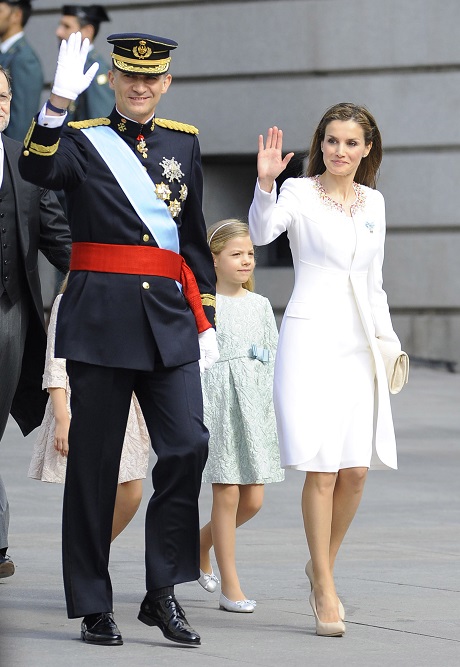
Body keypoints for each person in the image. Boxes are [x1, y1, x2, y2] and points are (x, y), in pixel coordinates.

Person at [19, 31, 218, 647]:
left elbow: (191, 235)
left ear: (166, 82)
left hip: (168, 322)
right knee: (95, 469)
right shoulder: (80, 141)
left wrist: (206, 313)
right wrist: (55, 105)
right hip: (101, 322)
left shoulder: (183, 143)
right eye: (129, 75)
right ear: (112, 78)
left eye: (151, 77)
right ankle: (93, 603)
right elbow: (36, 166)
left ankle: (161, 593)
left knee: (187, 446)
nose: (140, 86)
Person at [248, 103, 402, 637]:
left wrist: (387, 340)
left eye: (351, 143)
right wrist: (266, 184)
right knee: (323, 467)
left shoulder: (374, 202)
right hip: (311, 336)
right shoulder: (297, 192)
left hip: (360, 341)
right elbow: (263, 233)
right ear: (322, 145)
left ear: (367, 149)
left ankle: (321, 566)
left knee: (357, 470)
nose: (340, 151)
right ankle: (325, 590)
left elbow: (375, 280)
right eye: (332, 141)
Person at [0, 64, 70, 579]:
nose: (2, 104)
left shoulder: (27, 167)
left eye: (4, 96)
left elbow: (59, 240)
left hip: (11, 317)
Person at [198, 219, 284, 613]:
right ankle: (230, 585)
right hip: (217, 402)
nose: (246, 260)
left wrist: (269, 407)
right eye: (235, 254)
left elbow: (273, 355)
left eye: (250, 253)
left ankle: (199, 544)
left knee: (253, 500)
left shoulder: (261, 305)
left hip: (254, 405)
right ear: (214, 260)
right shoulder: (202, 301)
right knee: (227, 492)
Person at [28, 279, 150, 542]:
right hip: (80, 401)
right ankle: (85, 565)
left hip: (123, 399)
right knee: (90, 492)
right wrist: (62, 418)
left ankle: (88, 556)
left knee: (131, 490)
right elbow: (55, 361)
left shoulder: (132, 295)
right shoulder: (67, 300)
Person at [56, 5, 114, 121]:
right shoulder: (74, 64)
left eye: (67, 27)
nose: (58, 32)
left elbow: (99, 123)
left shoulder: (94, 69)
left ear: (88, 31)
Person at [0, 0, 43, 141]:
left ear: (16, 15)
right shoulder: (6, 52)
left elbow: (21, 122)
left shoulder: (24, 58)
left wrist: (11, 159)